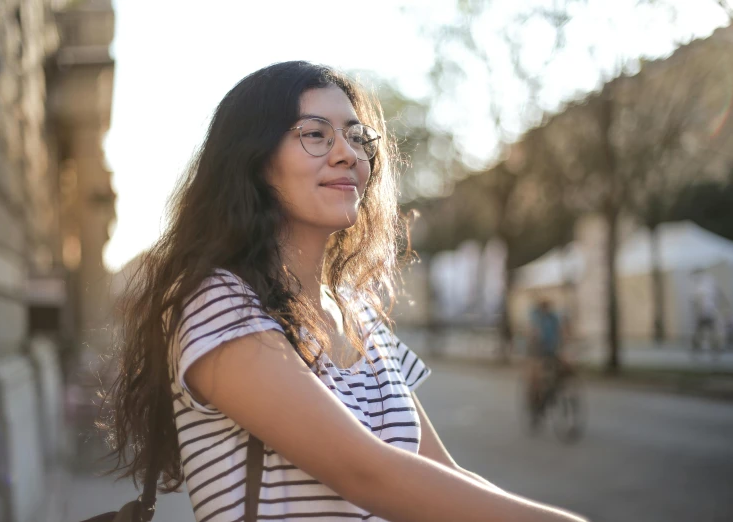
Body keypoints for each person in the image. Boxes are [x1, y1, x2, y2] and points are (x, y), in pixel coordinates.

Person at [106, 61, 588, 522]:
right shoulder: (219, 303)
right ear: (253, 161)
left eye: (356, 137)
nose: (348, 154)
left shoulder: (360, 315)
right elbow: (369, 473)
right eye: (315, 134)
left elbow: (443, 476)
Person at [526, 298, 571, 426]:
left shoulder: (554, 318)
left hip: (551, 351)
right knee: (537, 377)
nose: (546, 309)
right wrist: (535, 337)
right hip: (536, 352)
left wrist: (564, 348)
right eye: (544, 307)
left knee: (562, 371)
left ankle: (552, 393)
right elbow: (532, 332)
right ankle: (535, 404)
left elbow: (562, 332)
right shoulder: (535, 317)